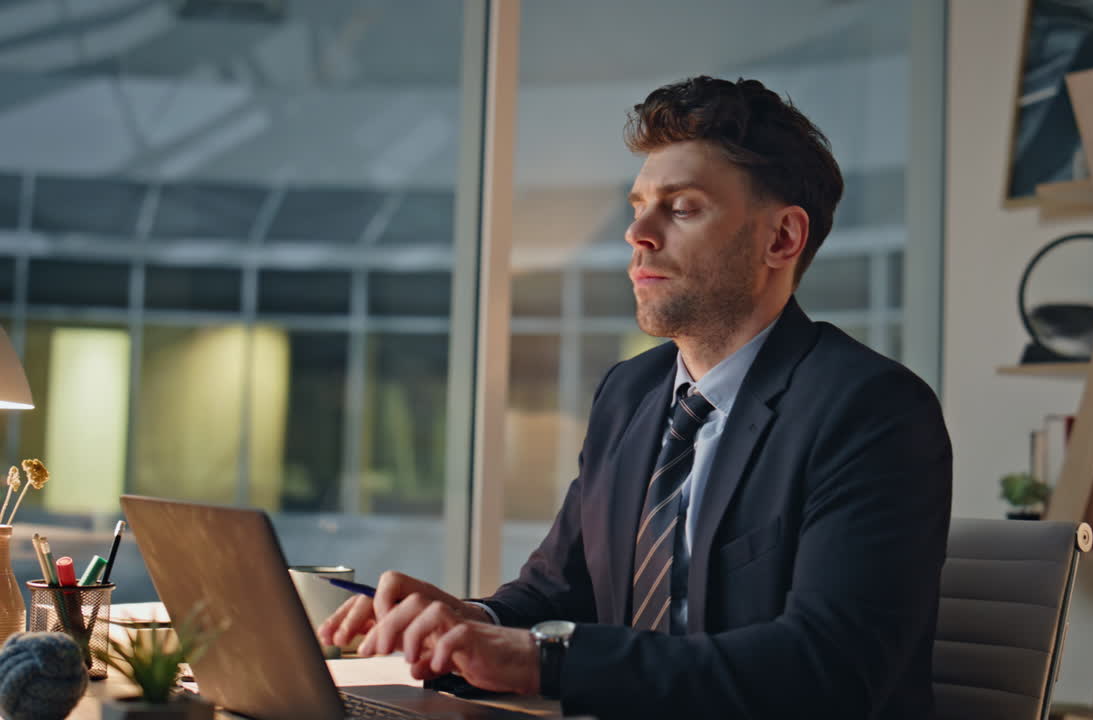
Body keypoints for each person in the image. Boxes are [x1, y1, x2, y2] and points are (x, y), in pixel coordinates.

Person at [320, 76, 952, 720]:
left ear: (782, 239)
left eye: (680, 209)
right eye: (637, 206)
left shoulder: (871, 411)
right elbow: (557, 591)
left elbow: (828, 668)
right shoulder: (631, 393)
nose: (637, 235)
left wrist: (545, 661)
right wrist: (464, 622)